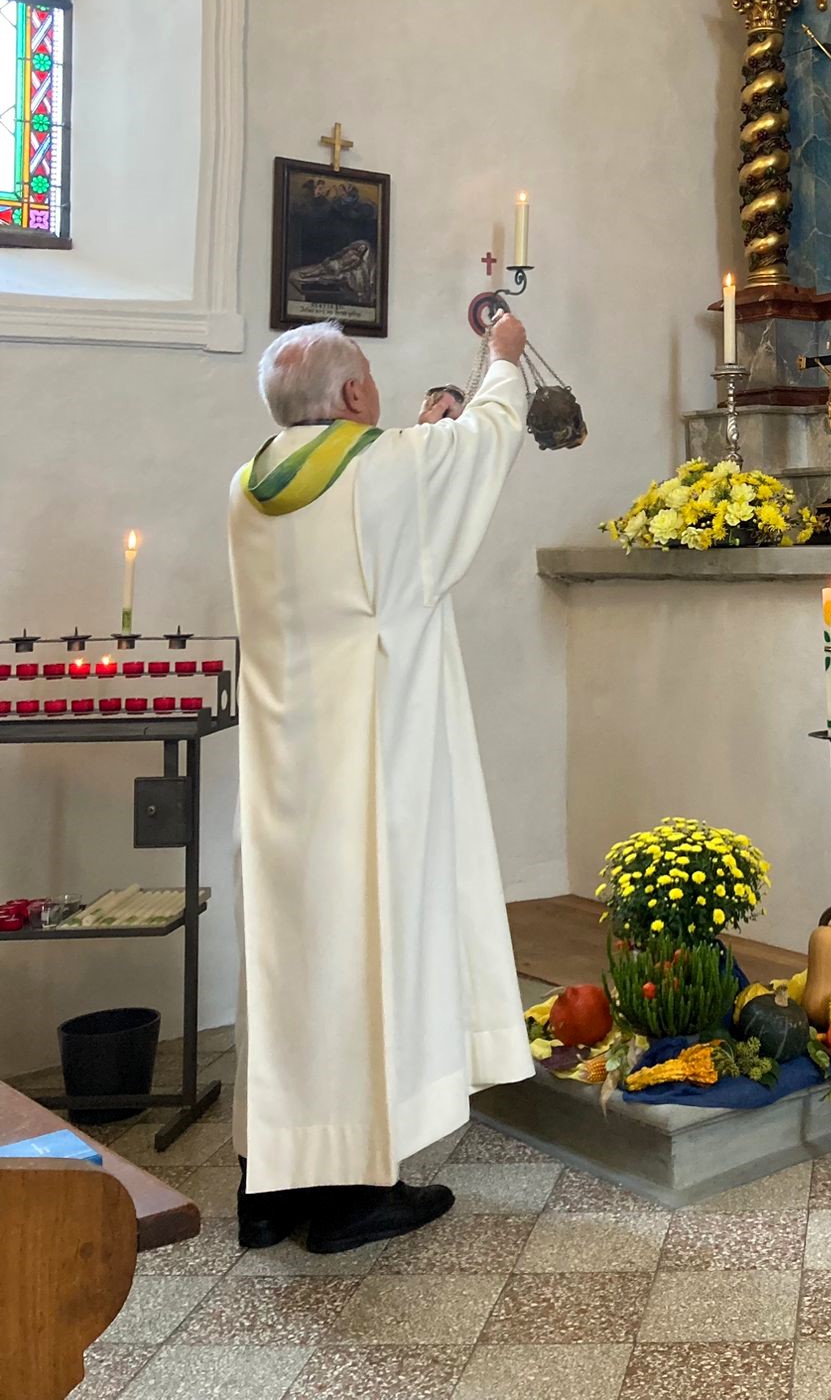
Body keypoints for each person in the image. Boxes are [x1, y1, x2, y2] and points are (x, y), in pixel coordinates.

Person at [228, 311, 533, 1254]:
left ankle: (267, 1188)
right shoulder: (390, 464)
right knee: (365, 955)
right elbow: (481, 445)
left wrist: (418, 429)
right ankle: (356, 1194)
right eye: (368, 382)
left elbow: (375, 496)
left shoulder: (246, 485)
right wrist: (504, 362)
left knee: (288, 969)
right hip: (372, 768)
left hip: (282, 771)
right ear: (355, 395)